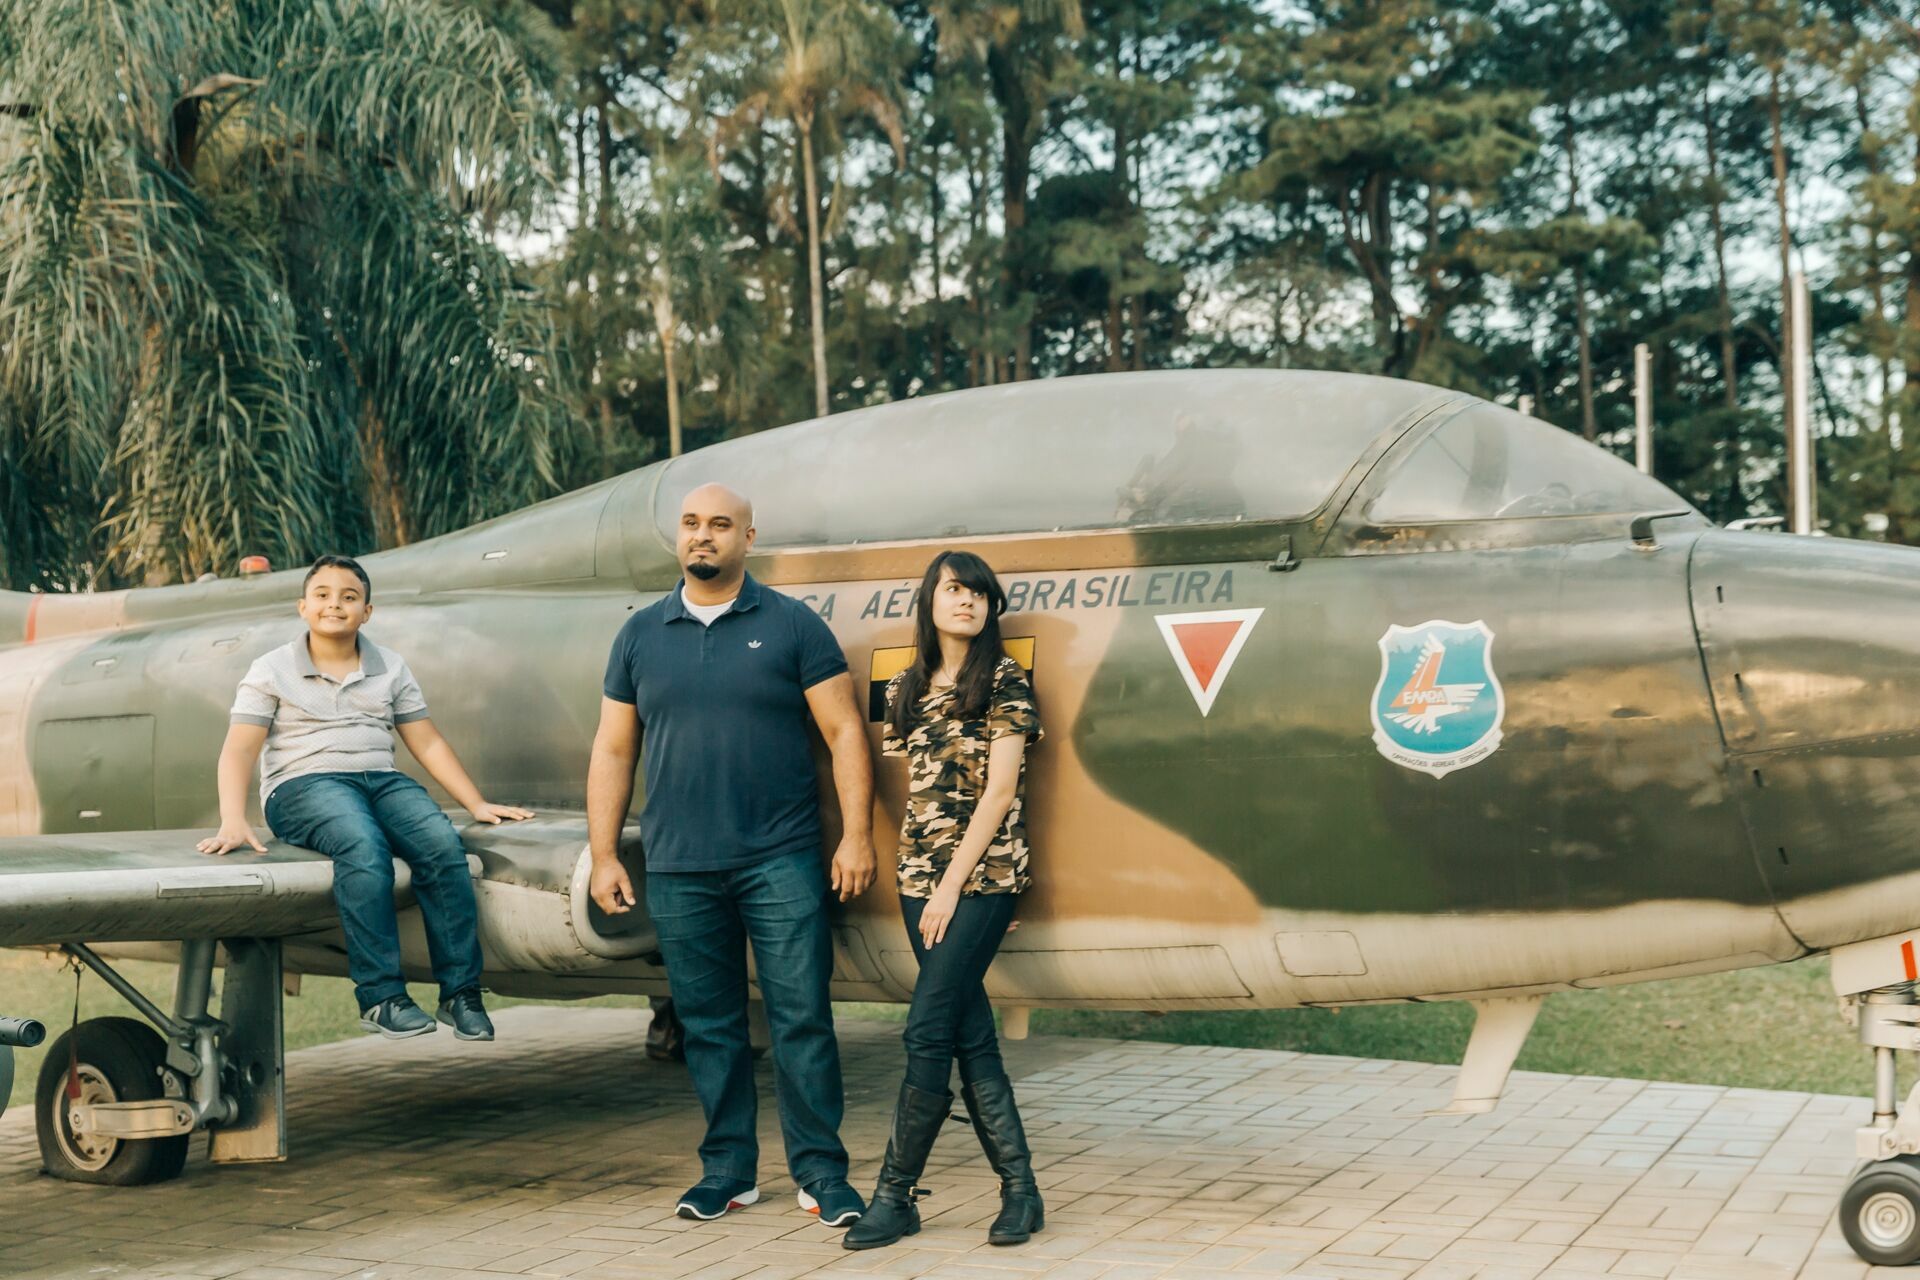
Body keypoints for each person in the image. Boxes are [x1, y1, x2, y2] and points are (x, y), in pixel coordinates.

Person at [587, 483, 877, 1227]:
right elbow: (615, 746)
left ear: (749, 536)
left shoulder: (791, 626)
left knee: (801, 1019)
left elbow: (846, 732)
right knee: (708, 1026)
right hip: (681, 864)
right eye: (691, 524)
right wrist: (604, 853)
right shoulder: (641, 634)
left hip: (778, 857)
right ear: (677, 540)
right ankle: (728, 1171)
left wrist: (856, 834)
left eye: (720, 525)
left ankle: (821, 1173)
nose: (703, 537)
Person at [198, 555, 532, 1040]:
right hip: (302, 785)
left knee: (442, 845)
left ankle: (461, 993)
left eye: (349, 597)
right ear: (303, 607)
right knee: (363, 845)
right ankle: (381, 997)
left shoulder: (390, 666)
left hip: (379, 779)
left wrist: (476, 804)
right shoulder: (270, 669)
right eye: (323, 595)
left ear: (367, 612)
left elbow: (427, 740)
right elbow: (239, 750)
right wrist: (233, 818)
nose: (335, 604)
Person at [844, 550, 1044, 1250]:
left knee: (928, 1029)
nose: (967, 603)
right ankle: (1021, 1192)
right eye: (954, 590)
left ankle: (894, 1196)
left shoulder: (1007, 682)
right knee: (968, 1034)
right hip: (916, 880)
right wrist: (923, 882)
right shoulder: (904, 687)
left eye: (979, 594)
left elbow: (999, 793)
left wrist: (954, 887)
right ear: (931, 600)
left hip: (981, 880)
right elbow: (920, 790)